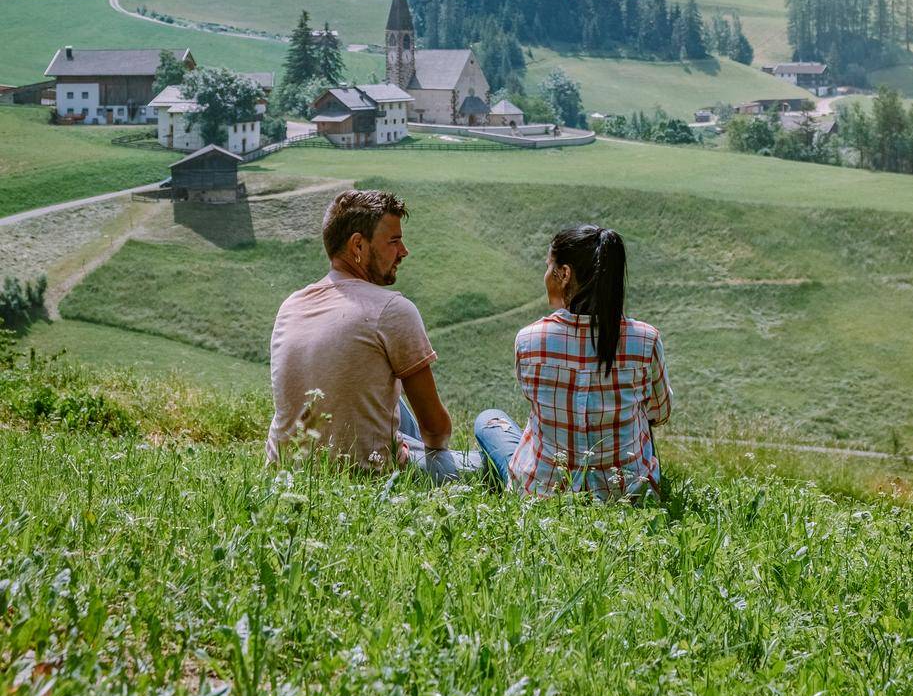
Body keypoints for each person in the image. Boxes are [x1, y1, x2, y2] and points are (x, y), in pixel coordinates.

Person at [266, 187, 480, 482]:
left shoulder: (291, 305)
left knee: (392, 399)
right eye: (393, 241)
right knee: (488, 462)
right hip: (365, 476)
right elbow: (436, 430)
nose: (404, 252)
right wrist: (419, 449)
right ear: (358, 246)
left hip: (288, 473)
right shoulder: (392, 310)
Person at [475, 224, 671, 499]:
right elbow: (660, 414)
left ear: (564, 274)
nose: (545, 276)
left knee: (489, 420)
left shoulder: (529, 339)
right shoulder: (645, 340)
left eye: (548, 266)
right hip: (625, 494)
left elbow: (533, 400)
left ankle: (483, 470)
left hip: (544, 492)